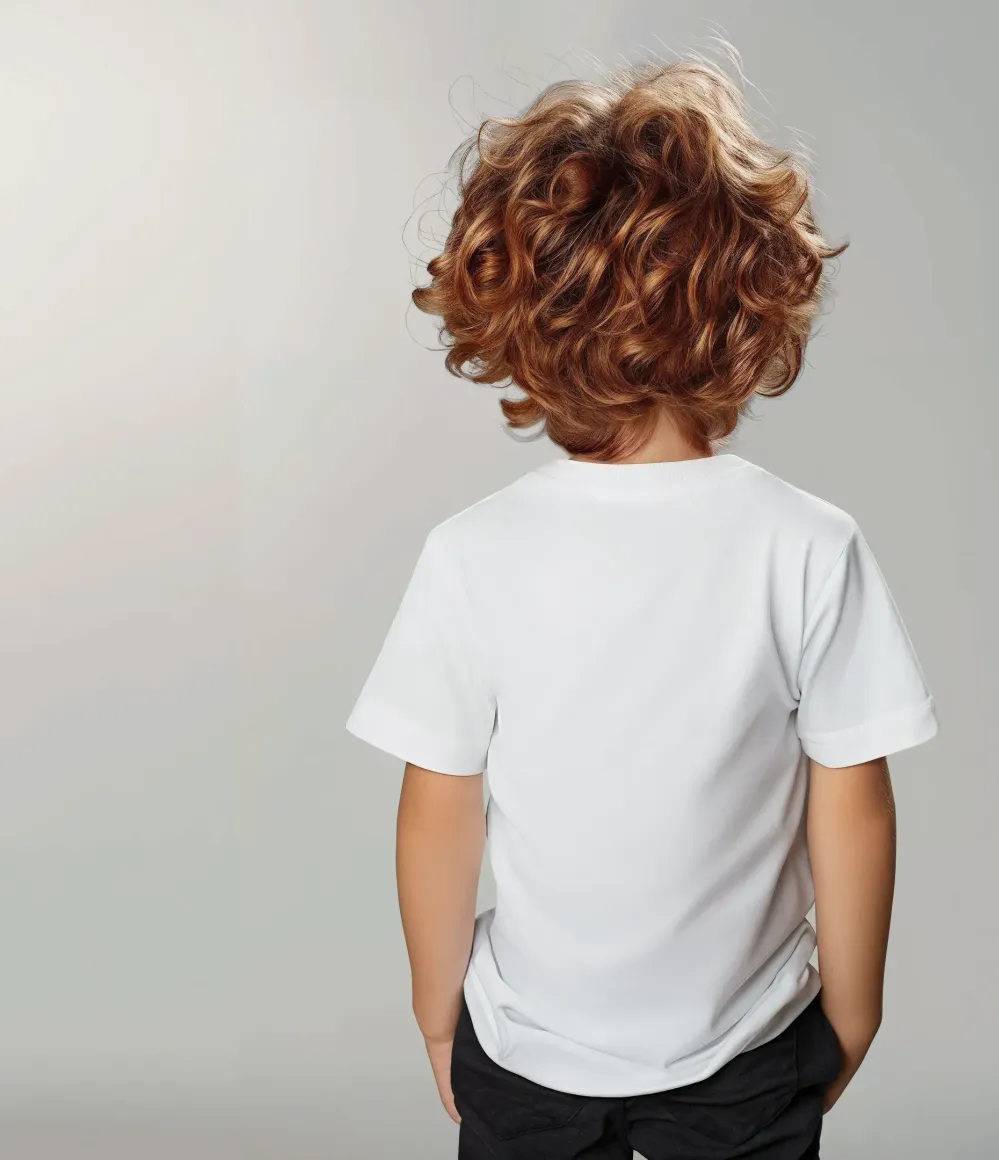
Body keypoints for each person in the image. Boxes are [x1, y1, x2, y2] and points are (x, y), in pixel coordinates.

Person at [346, 51, 939, 1160]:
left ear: (512, 309)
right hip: (750, 1050)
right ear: (743, 297)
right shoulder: (805, 544)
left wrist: (438, 1009)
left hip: (522, 1046)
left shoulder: (473, 552)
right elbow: (849, 802)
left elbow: (439, 806)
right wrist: (852, 1008)